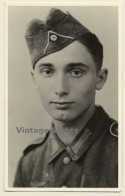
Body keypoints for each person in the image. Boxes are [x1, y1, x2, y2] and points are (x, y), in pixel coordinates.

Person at [13, 8, 118, 188]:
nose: (61, 89)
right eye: (47, 72)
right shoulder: (29, 162)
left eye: (76, 72)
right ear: (34, 80)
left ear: (100, 78)